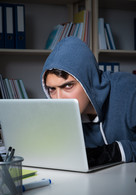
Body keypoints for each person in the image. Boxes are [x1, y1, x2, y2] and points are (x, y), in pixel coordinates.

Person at [40, 36, 136, 166]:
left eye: (68, 86)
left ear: (87, 81)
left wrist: (116, 151)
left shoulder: (130, 90)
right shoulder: (61, 113)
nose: (58, 99)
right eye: (52, 89)